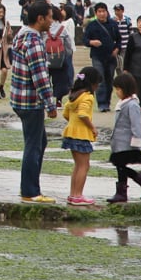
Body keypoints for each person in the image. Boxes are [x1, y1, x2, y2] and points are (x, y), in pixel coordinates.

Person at [10, 0, 60, 204]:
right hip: (30, 101)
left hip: (18, 97)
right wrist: (50, 104)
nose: (51, 21)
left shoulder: (21, 35)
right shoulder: (34, 42)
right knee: (34, 145)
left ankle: (30, 188)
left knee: (39, 142)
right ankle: (30, 191)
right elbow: (39, 76)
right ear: (40, 19)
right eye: (49, 17)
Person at [106, 72, 141, 203]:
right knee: (119, 166)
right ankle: (123, 192)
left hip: (127, 143)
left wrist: (137, 142)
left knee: (121, 166)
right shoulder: (123, 104)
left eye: (118, 89)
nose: (116, 92)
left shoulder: (132, 105)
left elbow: (136, 125)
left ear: (125, 89)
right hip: (119, 143)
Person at [61, 67, 100, 206]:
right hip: (81, 135)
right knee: (84, 166)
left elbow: (65, 113)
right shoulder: (87, 97)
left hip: (70, 133)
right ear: (93, 83)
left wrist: (73, 123)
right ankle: (78, 195)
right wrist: (92, 127)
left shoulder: (74, 95)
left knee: (78, 166)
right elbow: (83, 114)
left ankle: (73, 194)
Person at [82, 2, 119, 113]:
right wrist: (92, 42)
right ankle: (101, 103)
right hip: (97, 56)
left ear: (107, 12)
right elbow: (85, 40)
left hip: (111, 57)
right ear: (96, 13)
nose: (102, 14)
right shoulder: (91, 25)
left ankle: (107, 102)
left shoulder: (113, 24)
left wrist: (116, 49)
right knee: (100, 79)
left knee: (109, 79)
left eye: (104, 11)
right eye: (99, 12)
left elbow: (119, 40)